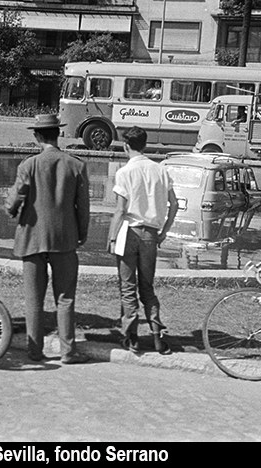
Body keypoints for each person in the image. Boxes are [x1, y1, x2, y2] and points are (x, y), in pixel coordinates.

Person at [5, 113, 91, 364]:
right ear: (58, 134)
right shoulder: (76, 165)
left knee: (34, 300)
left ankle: (34, 351)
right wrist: (81, 233)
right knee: (65, 298)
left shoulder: (28, 165)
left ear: (37, 136)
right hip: (64, 238)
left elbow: (14, 200)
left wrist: (11, 209)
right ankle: (68, 351)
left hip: (32, 238)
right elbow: (83, 208)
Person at [107, 126, 178, 354]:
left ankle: (132, 337)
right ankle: (157, 335)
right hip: (151, 233)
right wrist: (164, 231)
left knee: (128, 287)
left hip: (129, 231)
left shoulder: (124, 172)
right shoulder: (161, 170)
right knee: (147, 286)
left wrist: (112, 237)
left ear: (126, 146)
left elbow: (120, 210)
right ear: (145, 145)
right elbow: (174, 204)